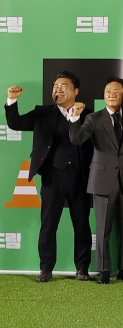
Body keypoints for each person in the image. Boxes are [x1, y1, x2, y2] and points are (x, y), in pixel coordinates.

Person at [5, 72, 93, 282]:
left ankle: (82, 268)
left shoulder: (88, 114)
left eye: (63, 86)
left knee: (82, 225)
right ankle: (46, 268)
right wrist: (11, 100)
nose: (58, 90)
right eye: (55, 86)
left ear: (76, 91)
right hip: (52, 176)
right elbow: (15, 123)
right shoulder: (41, 113)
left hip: (81, 177)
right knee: (48, 225)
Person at [69, 77, 123, 284]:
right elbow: (77, 139)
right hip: (103, 180)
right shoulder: (93, 118)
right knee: (103, 229)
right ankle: (103, 270)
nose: (111, 94)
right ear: (103, 95)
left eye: (116, 91)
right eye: (108, 91)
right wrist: (75, 117)